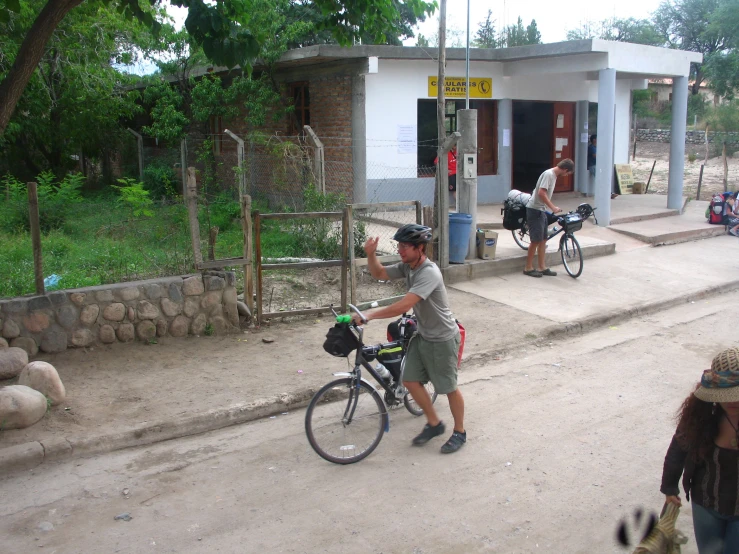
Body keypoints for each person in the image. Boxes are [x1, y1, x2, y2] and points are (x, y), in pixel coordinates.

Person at [351, 224, 466, 454]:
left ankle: (460, 432)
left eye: (405, 246)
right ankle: (434, 424)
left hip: (443, 338)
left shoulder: (429, 272)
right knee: (410, 381)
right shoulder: (409, 267)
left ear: (420, 248)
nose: (401, 250)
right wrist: (371, 254)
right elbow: (380, 273)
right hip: (423, 336)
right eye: (399, 245)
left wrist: (369, 315)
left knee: (449, 388)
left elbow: (404, 305)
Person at [661, 347, 739, 553]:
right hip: (705, 504)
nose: (731, 401)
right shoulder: (701, 416)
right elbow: (678, 449)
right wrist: (669, 488)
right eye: (724, 394)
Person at [523, 158, 574, 278]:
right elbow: (541, 192)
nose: (566, 175)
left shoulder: (553, 175)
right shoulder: (549, 174)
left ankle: (542, 267)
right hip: (535, 210)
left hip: (541, 210)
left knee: (543, 239)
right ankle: (528, 267)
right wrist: (553, 207)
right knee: (535, 240)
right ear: (565, 169)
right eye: (567, 173)